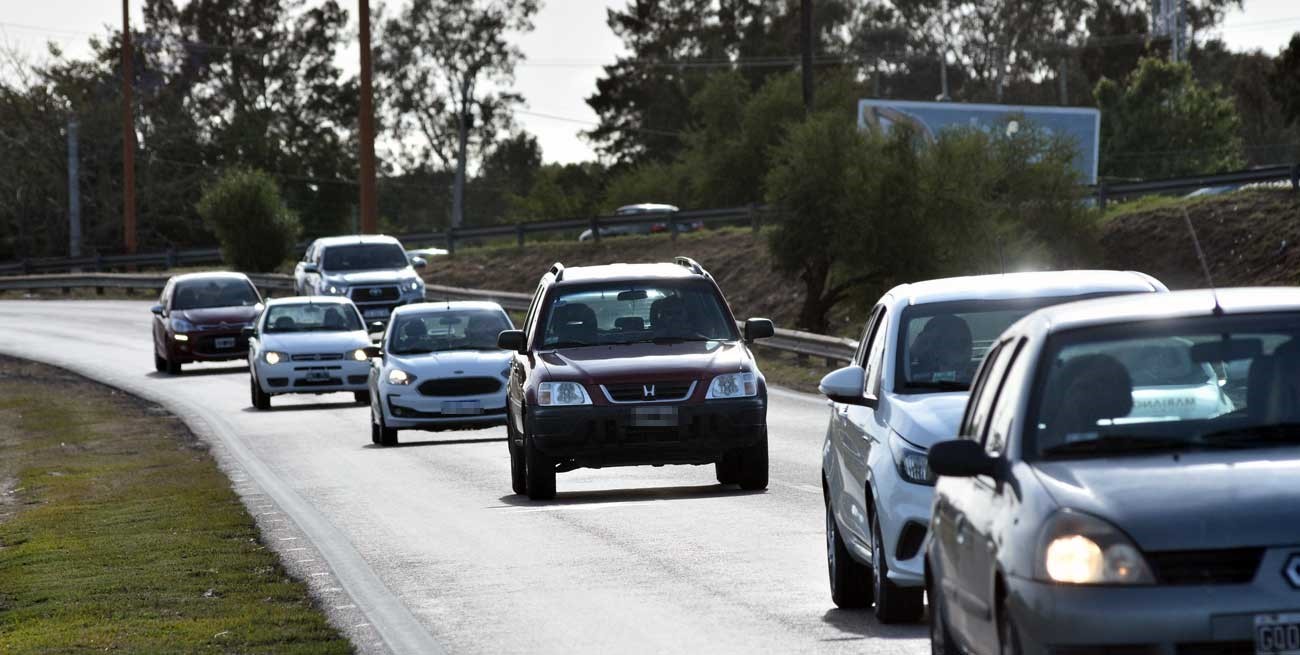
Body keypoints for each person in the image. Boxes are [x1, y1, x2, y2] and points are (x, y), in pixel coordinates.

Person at [908, 314, 973, 382]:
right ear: (935, 348)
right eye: (953, 343)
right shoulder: (913, 381)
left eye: (965, 342)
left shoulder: (982, 380)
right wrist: (912, 353)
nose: (963, 349)